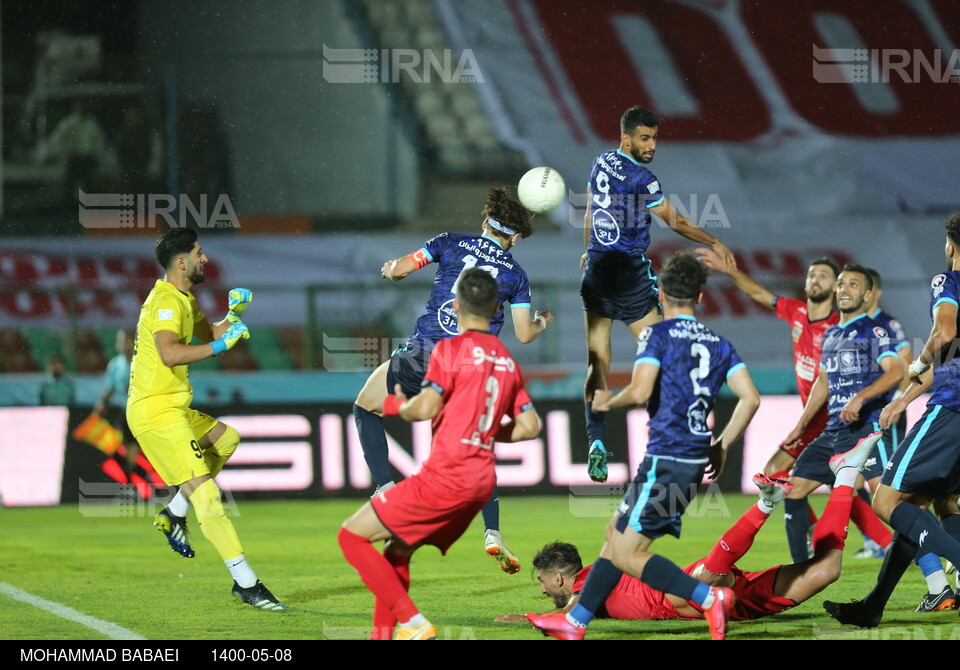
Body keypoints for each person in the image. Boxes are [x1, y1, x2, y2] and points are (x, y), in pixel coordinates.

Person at [527, 251, 760, 641]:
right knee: (612, 537)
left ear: (662, 294)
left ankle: (707, 597)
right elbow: (750, 399)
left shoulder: (657, 335)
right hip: (689, 457)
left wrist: (607, 401)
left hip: (666, 457)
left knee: (627, 553)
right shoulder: (719, 343)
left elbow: (639, 391)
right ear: (701, 297)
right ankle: (576, 621)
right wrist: (720, 445)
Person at [352, 187, 553, 573]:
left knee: (365, 406)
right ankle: (492, 531)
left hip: (424, 353)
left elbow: (400, 269)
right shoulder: (516, 275)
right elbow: (525, 333)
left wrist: (389, 267)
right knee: (475, 446)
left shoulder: (450, 241)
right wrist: (545, 320)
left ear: (484, 223)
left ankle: (385, 489)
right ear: (514, 238)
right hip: (471, 367)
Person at [338, 269, 542, 640]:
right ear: (497, 308)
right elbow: (531, 428)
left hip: (446, 479)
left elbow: (423, 408)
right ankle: (381, 636)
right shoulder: (508, 363)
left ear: (457, 307)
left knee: (350, 538)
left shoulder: (448, 349)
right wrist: (483, 430)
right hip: (479, 488)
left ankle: (414, 623)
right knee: (397, 549)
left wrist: (393, 404)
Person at [503, 438, 879, 628]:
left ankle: (765, 504)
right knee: (827, 570)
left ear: (557, 576)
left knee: (707, 584)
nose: (542, 590)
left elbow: (572, 612)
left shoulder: (589, 580)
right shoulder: (597, 581)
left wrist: (529, 617)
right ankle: (846, 474)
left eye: (542, 583)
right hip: (739, 603)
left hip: (678, 595)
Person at [127, 227, 286, 611]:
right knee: (209, 496)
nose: (205, 258)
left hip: (174, 407)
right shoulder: (165, 302)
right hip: (155, 409)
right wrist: (218, 347)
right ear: (181, 262)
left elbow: (212, 331)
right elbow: (169, 354)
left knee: (227, 439)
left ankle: (174, 513)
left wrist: (233, 315)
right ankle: (246, 583)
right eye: (198, 253)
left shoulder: (184, 298)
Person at [581, 106, 737, 484]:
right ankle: (672, 442)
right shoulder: (643, 178)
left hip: (597, 272)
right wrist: (714, 239)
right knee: (664, 358)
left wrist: (588, 250)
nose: (651, 146)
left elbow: (590, 211)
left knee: (597, 360)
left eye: (654, 139)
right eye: (644, 139)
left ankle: (596, 442)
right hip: (629, 275)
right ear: (626, 138)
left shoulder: (601, 162)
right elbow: (676, 221)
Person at [825, 214, 960, 627]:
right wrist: (905, 397)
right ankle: (873, 607)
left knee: (886, 500)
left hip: (952, 408)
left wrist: (915, 364)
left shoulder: (948, 281)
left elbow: (944, 336)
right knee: (927, 504)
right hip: (952, 401)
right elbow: (950, 359)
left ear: (950, 246)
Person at [780, 265, 903, 566]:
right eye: (841, 284)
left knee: (887, 502)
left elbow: (897, 370)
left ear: (868, 295)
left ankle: (933, 565)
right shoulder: (833, 333)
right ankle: (800, 571)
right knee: (793, 490)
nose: (845, 289)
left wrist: (860, 398)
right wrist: (800, 425)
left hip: (866, 428)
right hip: (834, 431)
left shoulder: (874, 330)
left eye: (853, 285)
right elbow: (823, 382)